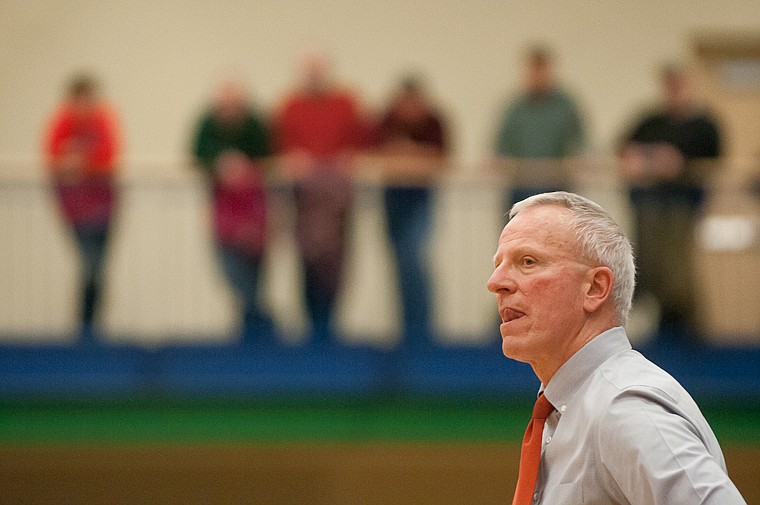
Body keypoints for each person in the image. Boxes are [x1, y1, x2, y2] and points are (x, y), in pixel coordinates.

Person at [487, 191, 746, 504]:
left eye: (527, 261)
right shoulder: (575, 405)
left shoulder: (625, 405)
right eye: (499, 264)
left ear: (595, 288)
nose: (496, 281)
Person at [619, 63, 721, 343]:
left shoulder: (703, 125)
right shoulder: (651, 122)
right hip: (649, 208)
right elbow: (624, 147)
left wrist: (677, 163)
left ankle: (687, 327)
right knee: (649, 264)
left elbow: (712, 159)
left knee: (679, 270)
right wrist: (649, 157)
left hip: (683, 208)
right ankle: (660, 321)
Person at [274, 51, 369, 344]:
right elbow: (280, 145)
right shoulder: (290, 105)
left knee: (337, 262)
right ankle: (311, 327)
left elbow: (361, 141)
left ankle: (330, 326)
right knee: (306, 258)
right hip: (304, 199)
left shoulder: (346, 103)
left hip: (339, 200)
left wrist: (347, 161)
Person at [191, 79, 275, 343]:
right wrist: (220, 163)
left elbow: (268, 153)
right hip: (225, 223)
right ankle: (260, 327)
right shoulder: (206, 125)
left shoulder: (255, 126)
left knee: (253, 283)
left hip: (255, 220)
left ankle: (256, 335)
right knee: (233, 279)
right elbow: (197, 152)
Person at [43, 73, 121, 343]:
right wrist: (69, 161)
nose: (86, 105)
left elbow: (110, 153)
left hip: (104, 207)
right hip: (74, 208)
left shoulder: (104, 119)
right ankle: (86, 328)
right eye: (81, 99)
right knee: (90, 266)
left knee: (96, 267)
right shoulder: (61, 122)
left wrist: (80, 159)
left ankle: (90, 327)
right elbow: (52, 155)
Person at [374, 75, 449, 346]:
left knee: (414, 259)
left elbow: (442, 158)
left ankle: (422, 330)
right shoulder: (385, 121)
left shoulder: (434, 122)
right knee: (399, 263)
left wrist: (411, 155)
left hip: (421, 200)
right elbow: (374, 154)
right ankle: (407, 330)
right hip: (392, 201)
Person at [494, 44, 587, 209]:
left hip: (557, 186)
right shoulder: (516, 107)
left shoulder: (565, 105)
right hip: (520, 185)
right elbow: (501, 144)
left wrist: (576, 160)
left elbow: (580, 140)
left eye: (541, 69)